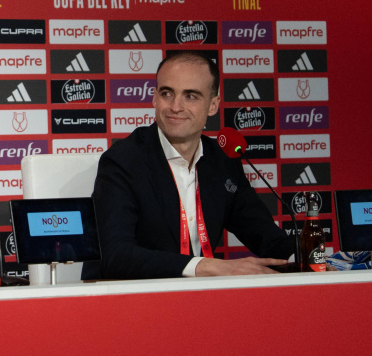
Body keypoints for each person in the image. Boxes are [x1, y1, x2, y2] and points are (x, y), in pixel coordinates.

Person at [86, 51, 295, 280]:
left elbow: (267, 237)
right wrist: (206, 266)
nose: (176, 107)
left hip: (198, 299)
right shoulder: (123, 162)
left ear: (213, 105)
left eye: (191, 96)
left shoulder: (223, 161)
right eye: (167, 93)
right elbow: (117, 257)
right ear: (154, 97)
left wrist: (309, 258)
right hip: (132, 300)